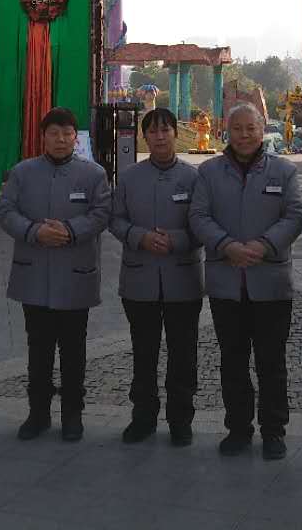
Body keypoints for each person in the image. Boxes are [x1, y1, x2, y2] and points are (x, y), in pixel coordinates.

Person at [189, 102, 302, 461]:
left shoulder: (283, 171)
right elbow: (198, 216)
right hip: (226, 283)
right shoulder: (209, 172)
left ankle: (274, 431)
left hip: (271, 282)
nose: (244, 135)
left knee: (272, 362)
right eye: (237, 128)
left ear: (262, 129)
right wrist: (227, 245)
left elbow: (294, 215)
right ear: (227, 131)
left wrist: (263, 245)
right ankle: (238, 428)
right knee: (233, 360)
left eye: (251, 128)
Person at [0, 106, 112, 442]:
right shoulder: (22, 172)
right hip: (34, 275)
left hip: (76, 275)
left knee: (74, 351)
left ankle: (73, 415)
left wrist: (70, 230)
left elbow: (102, 213)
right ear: (43, 137)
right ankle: (38, 414)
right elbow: (5, 210)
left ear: (76, 138)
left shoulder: (93, 174)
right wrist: (35, 231)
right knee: (39, 350)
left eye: (67, 133)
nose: (60, 139)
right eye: (53, 133)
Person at [108, 107, 204, 447]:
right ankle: (143, 418)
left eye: (166, 130)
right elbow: (115, 220)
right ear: (144, 136)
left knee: (183, 354)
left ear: (176, 133)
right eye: (153, 131)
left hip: (183, 281)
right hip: (139, 280)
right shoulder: (129, 177)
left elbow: (204, 224)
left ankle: (181, 420)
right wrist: (140, 237)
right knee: (143, 353)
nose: (160, 137)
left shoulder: (194, 178)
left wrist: (176, 240)